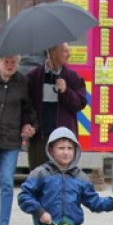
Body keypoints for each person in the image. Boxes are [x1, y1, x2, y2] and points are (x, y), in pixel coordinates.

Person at [0, 54, 36, 225]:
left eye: (14, 62)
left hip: (11, 140)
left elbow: (28, 109)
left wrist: (29, 125)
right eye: (6, 62)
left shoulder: (22, 82)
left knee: (6, 181)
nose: (10, 65)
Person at [26, 43, 87, 171]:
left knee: (63, 179)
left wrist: (66, 91)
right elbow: (26, 106)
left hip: (63, 138)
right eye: (65, 51)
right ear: (53, 53)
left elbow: (80, 104)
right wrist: (27, 124)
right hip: (39, 138)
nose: (68, 54)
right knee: (38, 178)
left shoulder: (73, 77)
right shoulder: (33, 77)